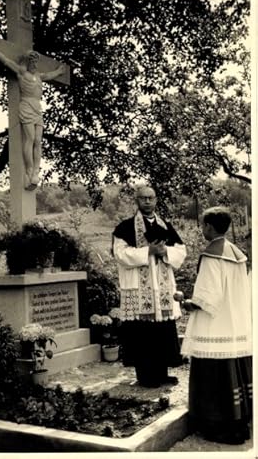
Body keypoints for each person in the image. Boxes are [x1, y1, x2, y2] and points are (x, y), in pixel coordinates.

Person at [181, 207, 252, 444]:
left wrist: (186, 302)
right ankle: (239, 425)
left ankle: (218, 427)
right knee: (234, 373)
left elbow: (207, 299)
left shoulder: (212, 255)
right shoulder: (238, 254)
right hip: (235, 324)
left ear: (209, 227)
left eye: (203, 225)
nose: (202, 230)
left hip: (215, 327)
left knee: (213, 375)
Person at [112, 185, 187, 387]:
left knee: (162, 331)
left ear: (156, 200)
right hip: (139, 287)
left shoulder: (167, 226)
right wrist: (148, 251)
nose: (147, 201)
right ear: (136, 200)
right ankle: (145, 376)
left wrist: (164, 252)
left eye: (150, 198)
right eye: (143, 198)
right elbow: (119, 253)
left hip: (161, 289)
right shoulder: (125, 227)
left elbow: (181, 251)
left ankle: (162, 374)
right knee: (142, 333)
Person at [0, 36, 65, 190]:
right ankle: (28, 170)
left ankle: (35, 172)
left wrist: (60, 71)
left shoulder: (39, 76)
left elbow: (50, 75)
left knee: (38, 140)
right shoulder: (21, 73)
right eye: (31, 61)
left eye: (35, 62)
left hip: (37, 107)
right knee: (30, 138)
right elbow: (6, 60)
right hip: (26, 105)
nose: (33, 64)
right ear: (27, 62)